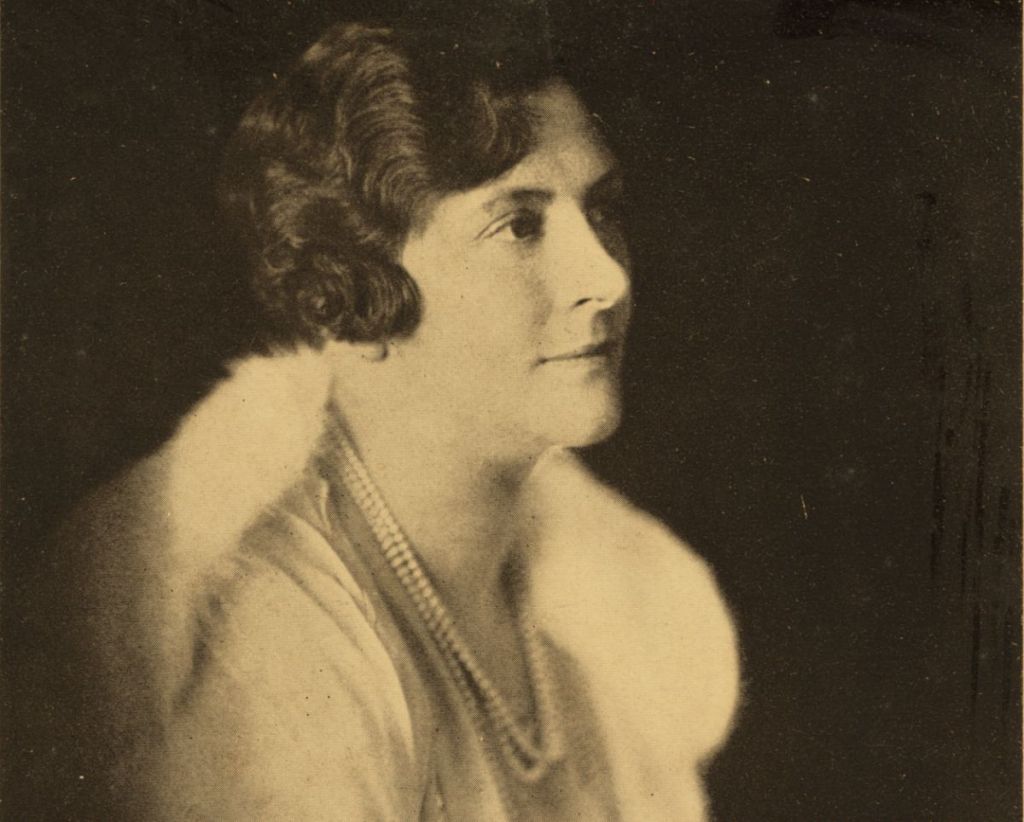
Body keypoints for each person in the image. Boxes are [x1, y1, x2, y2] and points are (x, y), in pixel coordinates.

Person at [36, 21, 739, 821]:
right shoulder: (274, 641)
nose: (607, 277)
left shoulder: (609, 612)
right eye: (520, 225)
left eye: (602, 210)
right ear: (361, 280)